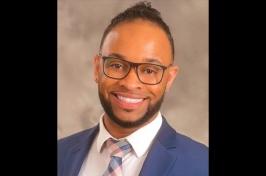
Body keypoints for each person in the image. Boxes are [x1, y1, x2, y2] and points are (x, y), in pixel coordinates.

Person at [58, 1, 208, 176]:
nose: (129, 83)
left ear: (169, 78)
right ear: (98, 69)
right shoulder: (61, 154)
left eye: (149, 70)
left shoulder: (202, 165)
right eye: (117, 65)